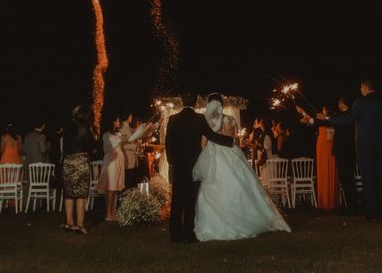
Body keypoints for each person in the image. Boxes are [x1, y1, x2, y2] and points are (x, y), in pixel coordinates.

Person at [193, 93, 291, 241]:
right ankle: (249, 218)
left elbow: (203, 144)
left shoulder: (208, 122)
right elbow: (235, 140)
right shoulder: (230, 119)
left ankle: (216, 224)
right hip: (232, 154)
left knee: (214, 188)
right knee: (241, 185)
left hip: (215, 156)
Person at [301, 80, 382, 221]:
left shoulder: (361, 102)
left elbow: (348, 119)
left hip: (365, 145)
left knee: (369, 179)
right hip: (380, 144)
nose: (360, 89)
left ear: (366, 87)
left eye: (361, 87)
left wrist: (328, 117)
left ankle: (373, 214)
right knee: (381, 178)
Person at [164, 90, 235, 244]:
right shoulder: (199, 119)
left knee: (176, 201)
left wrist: (171, 161)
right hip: (194, 165)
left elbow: (168, 143)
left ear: (182, 101)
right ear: (196, 102)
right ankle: (188, 235)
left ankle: (175, 236)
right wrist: (231, 142)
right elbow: (212, 136)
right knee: (191, 201)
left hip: (178, 165)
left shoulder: (172, 119)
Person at [97, 114, 158, 221]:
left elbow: (132, 138)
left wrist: (145, 127)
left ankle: (111, 213)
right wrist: (118, 140)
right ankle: (108, 214)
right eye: (117, 121)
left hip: (118, 163)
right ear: (112, 122)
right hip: (111, 163)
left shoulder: (117, 133)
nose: (118, 123)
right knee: (110, 189)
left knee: (114, 189)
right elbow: (106, 149)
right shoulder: (107, 135)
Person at [62, 105, 96, 234]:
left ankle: (69, 223)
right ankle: (80, 225)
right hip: (81, 163)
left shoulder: (68, 128)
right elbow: (92, 147)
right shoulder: (86, 130)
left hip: (68, 162)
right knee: (81, 195)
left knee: (69, 194)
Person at [333, 98, 358, 215]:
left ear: (342, 103)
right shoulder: (349, 116)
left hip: (344, 152)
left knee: (347, 179)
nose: (338, 105)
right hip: (348, 152)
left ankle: (352, 206)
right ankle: (351, 205)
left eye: (339, 103)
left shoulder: (346, 116)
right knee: (348, 180)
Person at [314, 106, 339, 211]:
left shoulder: (331, 122)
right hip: (324, 150)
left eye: (323, 110)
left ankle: (329, 202)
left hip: (329, 150)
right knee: (324, 172)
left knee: (329, 172)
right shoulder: (323, 122)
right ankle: (326, 201)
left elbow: (313, 121)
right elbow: (312, 120)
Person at [120, 112, 140, 189]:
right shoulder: (122, 128)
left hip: (132, 159)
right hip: (126, 159)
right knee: (127, 183)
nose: (132, 117)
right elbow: (121, 145)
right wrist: (134, 146)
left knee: (132, 183)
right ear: (127, 116)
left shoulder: (128, 127)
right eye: (131, 115)